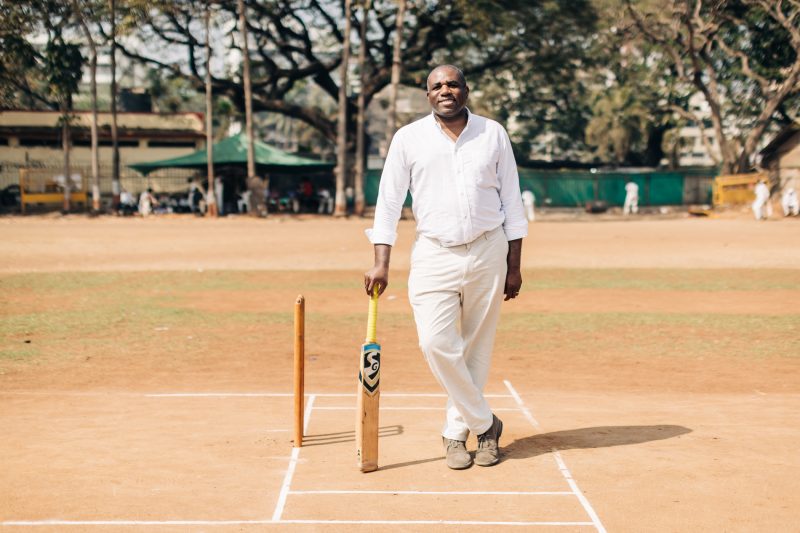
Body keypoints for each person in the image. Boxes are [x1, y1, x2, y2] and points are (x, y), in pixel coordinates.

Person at [364, 65, 528, 470]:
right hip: (433, 253)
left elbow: (512, 201)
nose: (445, 90)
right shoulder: (409, 138)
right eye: (437, 85)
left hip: (488, 249)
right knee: (435, 343)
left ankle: (457, 433)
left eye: (452, 83)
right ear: (427, 95)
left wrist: (514, 265)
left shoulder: (493, 133)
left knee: (476, 347)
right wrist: (380, 263)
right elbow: (388, 203)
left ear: (466, 90)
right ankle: (486, 423)